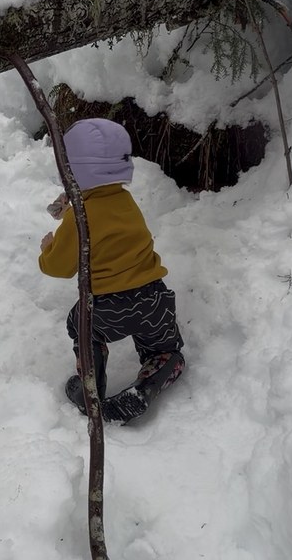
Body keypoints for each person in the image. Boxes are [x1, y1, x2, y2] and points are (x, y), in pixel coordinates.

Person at [39, 118, 186, 423]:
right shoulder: (125, 200)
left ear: (71, 170)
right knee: (165, 350)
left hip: (109, 308)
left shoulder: (78, 217)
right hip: (154, 299)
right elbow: (104, 218)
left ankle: (90, 387)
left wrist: (48, 249)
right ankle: (152, 379)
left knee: (80, 324)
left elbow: (59, 267)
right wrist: (72, 209)